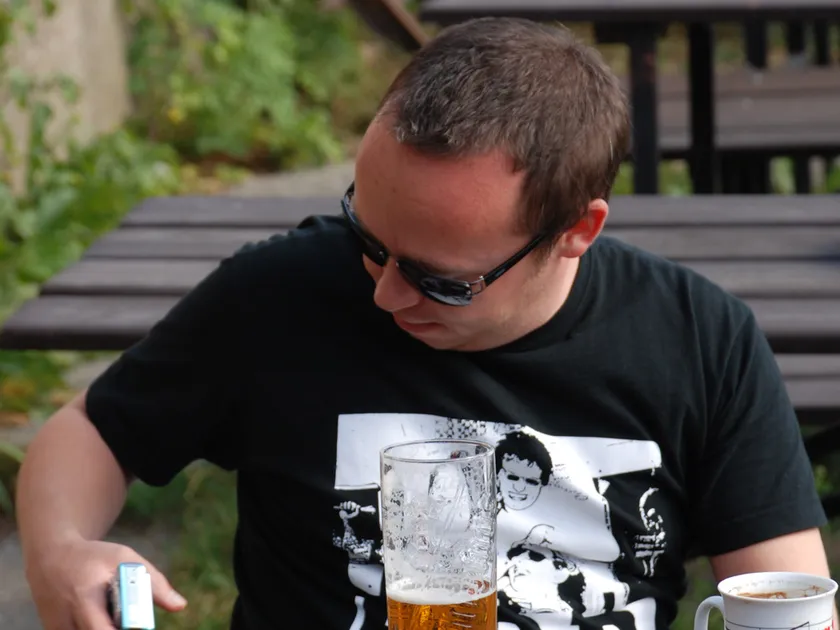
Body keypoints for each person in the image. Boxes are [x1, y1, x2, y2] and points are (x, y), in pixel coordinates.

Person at [16, 16, 831, 630]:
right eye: (369, 241)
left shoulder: (699, 340)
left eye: (441, 281)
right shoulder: (279, 296)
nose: (385, 294)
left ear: (576, 232)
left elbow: (787, 594)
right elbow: (94, 430)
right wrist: (60, 550)